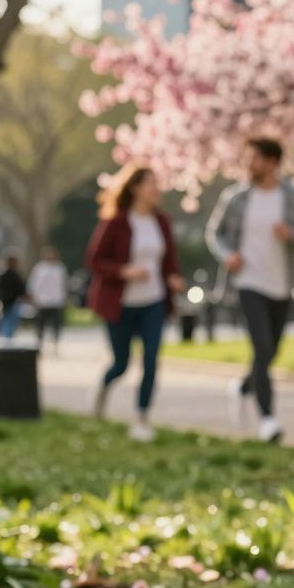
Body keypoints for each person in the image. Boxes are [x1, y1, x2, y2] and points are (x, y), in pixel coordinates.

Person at [206, 137, 294, 444]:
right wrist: (228, 254)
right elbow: (215, 234)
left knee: (271, 351)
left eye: (255, 158)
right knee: (261, 346)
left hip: (283, 285)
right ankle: (268, 419)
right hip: (247, 283)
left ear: (272, 162)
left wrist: (291, 234)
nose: (249, 164)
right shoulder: (236, 197)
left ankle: (243, 387)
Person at [85, 164, 184, 443]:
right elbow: (94, 260)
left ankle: (141, 418)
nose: (156, 189)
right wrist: (123, 271)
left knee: (151, 359)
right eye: (151, 183)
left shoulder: (161, 222)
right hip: (120, 303)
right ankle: (103, 387)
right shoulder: (116, 222)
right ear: (136, 188)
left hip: (153, 300)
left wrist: (174, 277)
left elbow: (170, 258)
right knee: (122, 363)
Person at [27, 246, 69, 354]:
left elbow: (64, 284)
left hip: (56, 301)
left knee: (56, 325)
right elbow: (33, 284)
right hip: (42, 301)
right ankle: (39, 344)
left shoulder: (60, 268)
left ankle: (55, 343)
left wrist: (64, 298)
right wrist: (33, 297)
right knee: (40, 325)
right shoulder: (39, 268)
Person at [0, 251, 27, 339]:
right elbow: (21, 289)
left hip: (6, 302)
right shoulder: (15, 275)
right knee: (10, 322)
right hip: (12, 302)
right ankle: (8, 340)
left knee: (6, 322)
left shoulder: (4, 274)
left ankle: (6, 340)